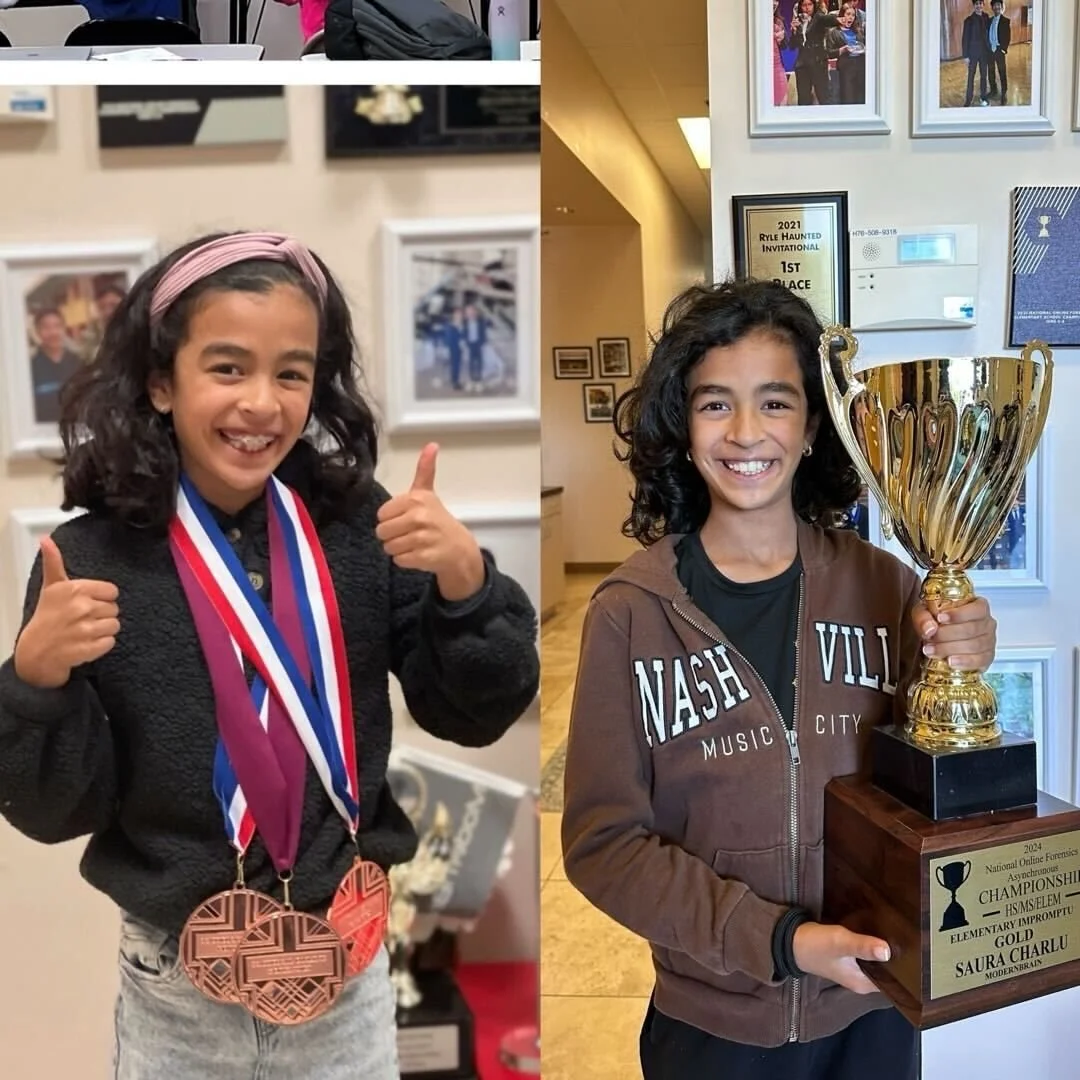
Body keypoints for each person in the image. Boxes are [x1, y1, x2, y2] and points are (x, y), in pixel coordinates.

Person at [0, 230, 540, 1079]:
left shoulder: (357, 526)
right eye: (227, 367)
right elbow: (54, 810)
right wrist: (36, 681)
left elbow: (473, 713)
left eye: (291, 373)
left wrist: (465, 584)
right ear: (160, 381)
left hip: (345, 965)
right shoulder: (91, 561)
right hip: (176, 983)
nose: (261, 402)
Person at [560, 278, 998, 1080]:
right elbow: (604, 845)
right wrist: (779, 941)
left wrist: (965, 659)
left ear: (812, 426)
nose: (745, 432)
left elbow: (936, 790)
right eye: (715, 403)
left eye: (775, 402)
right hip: (711, 1022)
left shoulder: (887, 588)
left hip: (871, 1007)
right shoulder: (630, 613)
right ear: (682, 424)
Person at [29, 308, 84, 425]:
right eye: (46, 327)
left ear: (64, 329)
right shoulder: (30, 368)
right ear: (37, 331)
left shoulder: (79, 364)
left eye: (57, 326)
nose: (53, 332)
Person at [962, 0, 992, 108]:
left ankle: (983, 97)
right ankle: (968, 99)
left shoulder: (986, 17)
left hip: (984, 53)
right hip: (972, 53)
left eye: (980, 3)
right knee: (971, 76)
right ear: (974, 6)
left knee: (984, 76)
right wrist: (965, 55)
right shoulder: (968, 20)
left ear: (983, 4)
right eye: (976, 4)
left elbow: (989, 34)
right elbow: (965, 38)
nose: (978, 6)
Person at [987, 0, 1011, 105]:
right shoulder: (989, 20)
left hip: (999, 50)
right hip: (990, 51)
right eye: (995, 5)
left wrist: (1003, 49)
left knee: (1002, 72)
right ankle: (993, 90)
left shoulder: (1005, 21)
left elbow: (1007, 37)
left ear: (1001, 6)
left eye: (998, 5)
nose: (996, 7)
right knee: (991, 71)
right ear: (992, 7)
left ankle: (1004, 93)